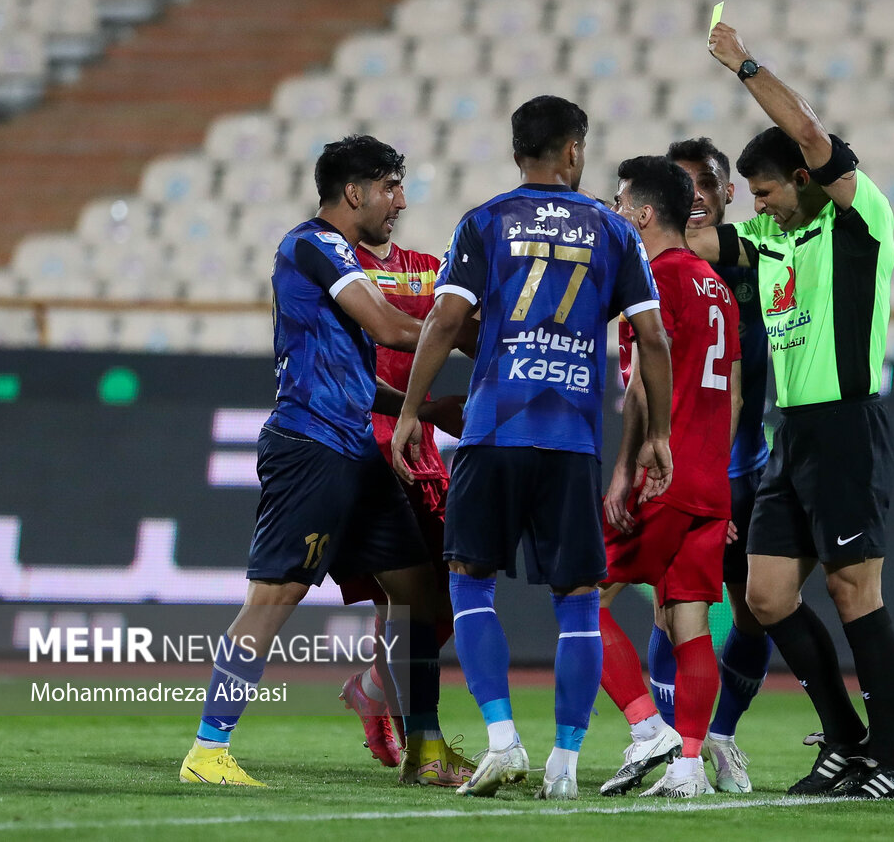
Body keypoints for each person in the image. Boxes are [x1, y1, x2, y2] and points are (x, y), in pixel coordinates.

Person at [390, 95, 674, 801]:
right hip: (572, 437)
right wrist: (659, 433)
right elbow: (655, 339)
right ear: (573, 150)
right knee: (578, 598)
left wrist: (407, 413)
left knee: (470, 581)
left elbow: (444, 320)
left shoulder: (485, 221)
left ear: (519, 151)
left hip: (494, 427)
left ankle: (500, 740)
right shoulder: (614, 230)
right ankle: (566, 764)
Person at [688, 22, 894, 800]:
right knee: (765, 595)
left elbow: (812, 130)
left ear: (802, 177)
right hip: (792, 436)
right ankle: (848, 744)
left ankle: (893, 762)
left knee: (857, 591)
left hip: (848, 425)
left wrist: (745, 65)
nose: (760, 207)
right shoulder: (770, 236)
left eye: (767, 192)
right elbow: (699, 244)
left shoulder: (861, 222)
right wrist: (641, 216)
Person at [178, 135, 455, 787]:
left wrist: (426, 406)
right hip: (312, 446)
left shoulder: (336, 254)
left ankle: (425, 748)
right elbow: (389, 327)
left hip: (356, 443)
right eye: (390, 186)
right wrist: (478, 329)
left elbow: (353, 375)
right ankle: (208, 750)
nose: (400, 201)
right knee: (276, 595)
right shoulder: (313, 244)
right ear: (354, 191)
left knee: (418, 593)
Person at [596, 155, 741, 800]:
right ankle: (687, 763)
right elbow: (734, 394)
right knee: (688, 622)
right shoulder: (717, 285)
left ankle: (645, 726)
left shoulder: (651, 281)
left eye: (623, 203)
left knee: (580, 598)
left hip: (665, 475)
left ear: (646, 213)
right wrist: (717, 473)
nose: (618, 212)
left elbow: (642, 388)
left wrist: (628, 467)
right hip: (710, 481)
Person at [634, 137, 774, 795]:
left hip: (737, 466)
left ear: (726, 197)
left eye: (704, 187)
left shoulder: (740, 256)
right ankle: (677, 744)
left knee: (754, 611)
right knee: (672, 609)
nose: (693, 198)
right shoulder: (660, 271)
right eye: (679, 187)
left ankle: (717, 734)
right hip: (692, 463)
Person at [335, 234, 474, 787]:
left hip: (419, 441)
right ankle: (419, 738)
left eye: (400, 187)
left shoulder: (426, 267)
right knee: (396, 598)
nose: (398, 200)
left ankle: (374, 688)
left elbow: (463, 325)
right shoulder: (338, 266)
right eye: (388, 187)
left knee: (438, 598)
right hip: (366, 442)